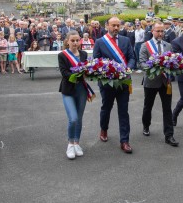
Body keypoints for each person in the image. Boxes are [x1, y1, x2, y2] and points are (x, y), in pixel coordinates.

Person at [93, 17, 136, 153]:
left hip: (123, 82)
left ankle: (125, 141)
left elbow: (132, 58)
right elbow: (96, 61)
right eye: (113, 25)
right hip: (107, 83)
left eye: (118, 25)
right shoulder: (100, 42)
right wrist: (106, 71)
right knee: (106, 108)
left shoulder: (125, 40)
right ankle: (104, 129)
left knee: (124, 111)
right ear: (107, 26)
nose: (116, 28)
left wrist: (128, 68)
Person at [139, 21, 179, 146]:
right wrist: (155, 67)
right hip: (151, 81)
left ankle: (169, 135)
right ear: (152, 31)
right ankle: (146, 125)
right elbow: (142, 63)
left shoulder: (168, 45)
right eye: (158, 31)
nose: (161, 33)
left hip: (165, 82)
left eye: (162, 31)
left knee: (167, 109)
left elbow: (172, 61)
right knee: (148, 106)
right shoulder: (145, 46)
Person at [58, 31, 90, 159]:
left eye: (77, 40)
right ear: (67, 41)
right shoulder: (62, 55)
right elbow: (64, 72)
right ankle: (70, 144)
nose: (75, 43)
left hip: (81, 90)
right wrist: (77, 73)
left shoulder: (84, 54)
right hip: (68, 90)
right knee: (73, 118)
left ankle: (77, 142)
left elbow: (87, 69)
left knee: (80, 118)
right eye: (73, 40)